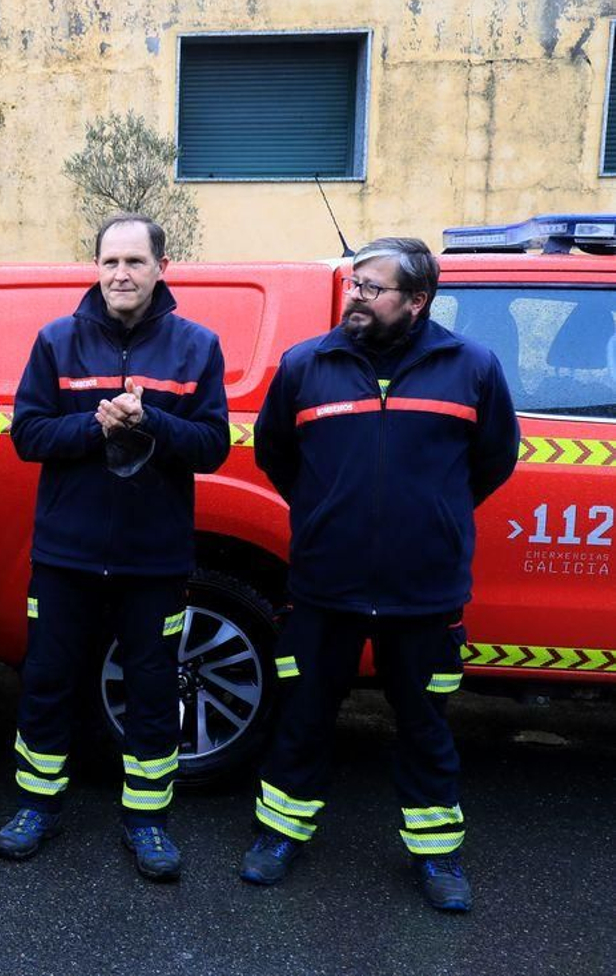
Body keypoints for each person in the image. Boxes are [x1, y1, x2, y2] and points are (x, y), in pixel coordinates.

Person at [239, 237, 519, 913]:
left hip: (424, 596)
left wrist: (432, 519)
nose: (354, 296)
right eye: (354, 283)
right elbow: (278, 454)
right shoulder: (307, 366)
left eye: (372, 287)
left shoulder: (471, 367)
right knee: (303, 716)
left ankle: (436, 854)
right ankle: (278, 834)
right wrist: (324, 513)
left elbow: (493, 461)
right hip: (323, 589)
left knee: (425, 725)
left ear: (417, 301)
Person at [0, 213, 229, 880]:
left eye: (133, 262)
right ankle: (36, 805)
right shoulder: (56, 340)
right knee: (47, 682)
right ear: (95, 268)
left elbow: (212, 446)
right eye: (109, 262)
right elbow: (28, 436)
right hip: (66, 556)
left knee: (154, 690)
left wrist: (150, 420)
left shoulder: (197, 346)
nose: (120, 274)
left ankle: (148, 821)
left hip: (152, 560)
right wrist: (95, 428)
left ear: (162, 267)